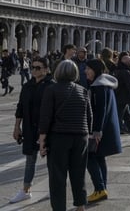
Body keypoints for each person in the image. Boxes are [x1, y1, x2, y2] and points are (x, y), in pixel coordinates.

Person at [38, 59, 92, 211]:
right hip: (80, 136)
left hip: (59, 137)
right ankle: (80, 206)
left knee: (58, 177)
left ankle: (59, 208)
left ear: (58, 72)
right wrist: (86, 134)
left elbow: (46, 116)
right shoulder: (82, 90)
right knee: (78, 173)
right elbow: (89, 116)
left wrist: (42, 139)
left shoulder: (51, 89)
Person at [10, 57, 54, 204]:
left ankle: (53, 189)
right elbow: (20, 107)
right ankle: (26, 189)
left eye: (38, 68)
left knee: (51, 161)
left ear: (47, 69)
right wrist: (17, 127)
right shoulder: (27, 85)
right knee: (30, 159)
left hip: (47, 129)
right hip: (29, 128)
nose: (34, 70)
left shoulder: (52, 85)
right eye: (33, 68)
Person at [84, 59, 122, 203]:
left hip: (99, 129)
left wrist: (96, 132)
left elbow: (100, 110)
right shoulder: (104, 84)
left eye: (88, 69)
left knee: (90, 157)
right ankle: (102, 188)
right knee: (99, 158)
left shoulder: (99, 87)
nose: (85, 71)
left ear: (95, 70)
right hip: (107, 128)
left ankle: (100, 188)